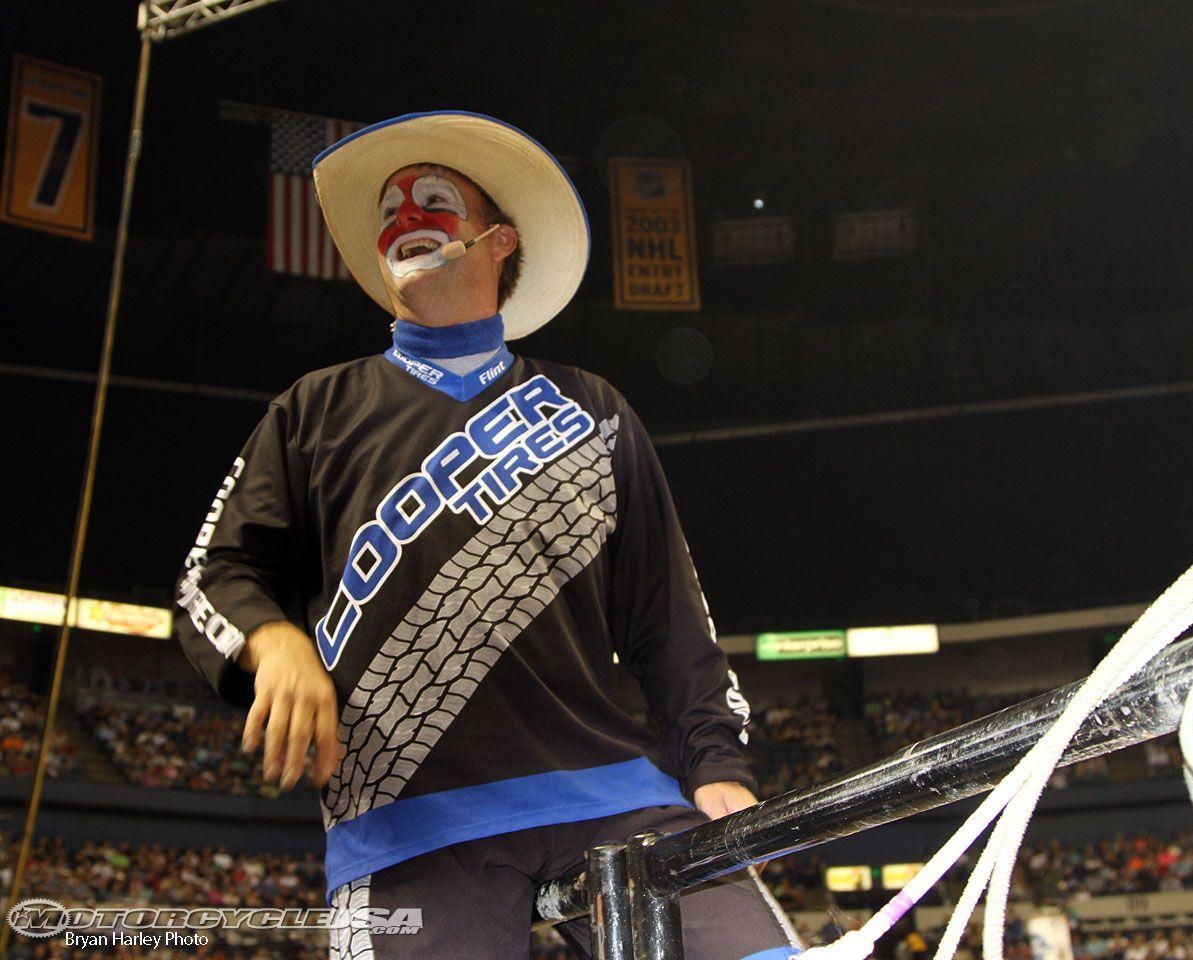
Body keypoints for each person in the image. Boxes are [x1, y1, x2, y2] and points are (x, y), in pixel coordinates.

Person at [174, 111, 801, 960]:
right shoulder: (311, 410)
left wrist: (717, 766)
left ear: (500, 240)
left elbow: (669, 617)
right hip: (404, 821)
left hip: (617, 795)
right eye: (390, 209)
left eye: (432, 199)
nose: (403, 217)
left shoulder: (596, 410)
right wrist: (273, 639)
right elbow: (212, 574)